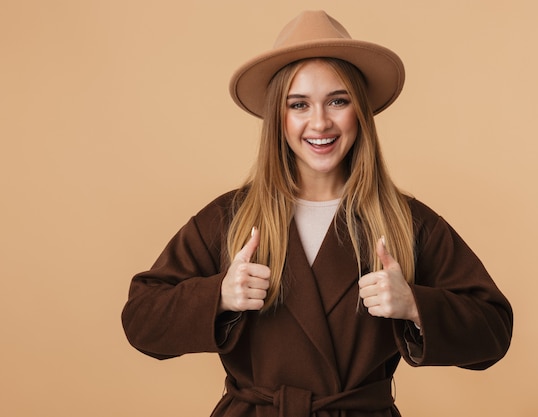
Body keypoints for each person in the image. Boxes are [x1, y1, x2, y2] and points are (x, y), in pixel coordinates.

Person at [122, 10, 513, 417]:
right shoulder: (230, 219)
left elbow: (494, 332)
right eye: (299, 105)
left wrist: (415, 305)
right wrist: (217, 297)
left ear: (359, 111)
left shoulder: (406, 222)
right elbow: (140, 322)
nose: (320, 122)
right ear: (279, 117)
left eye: (337, 101)